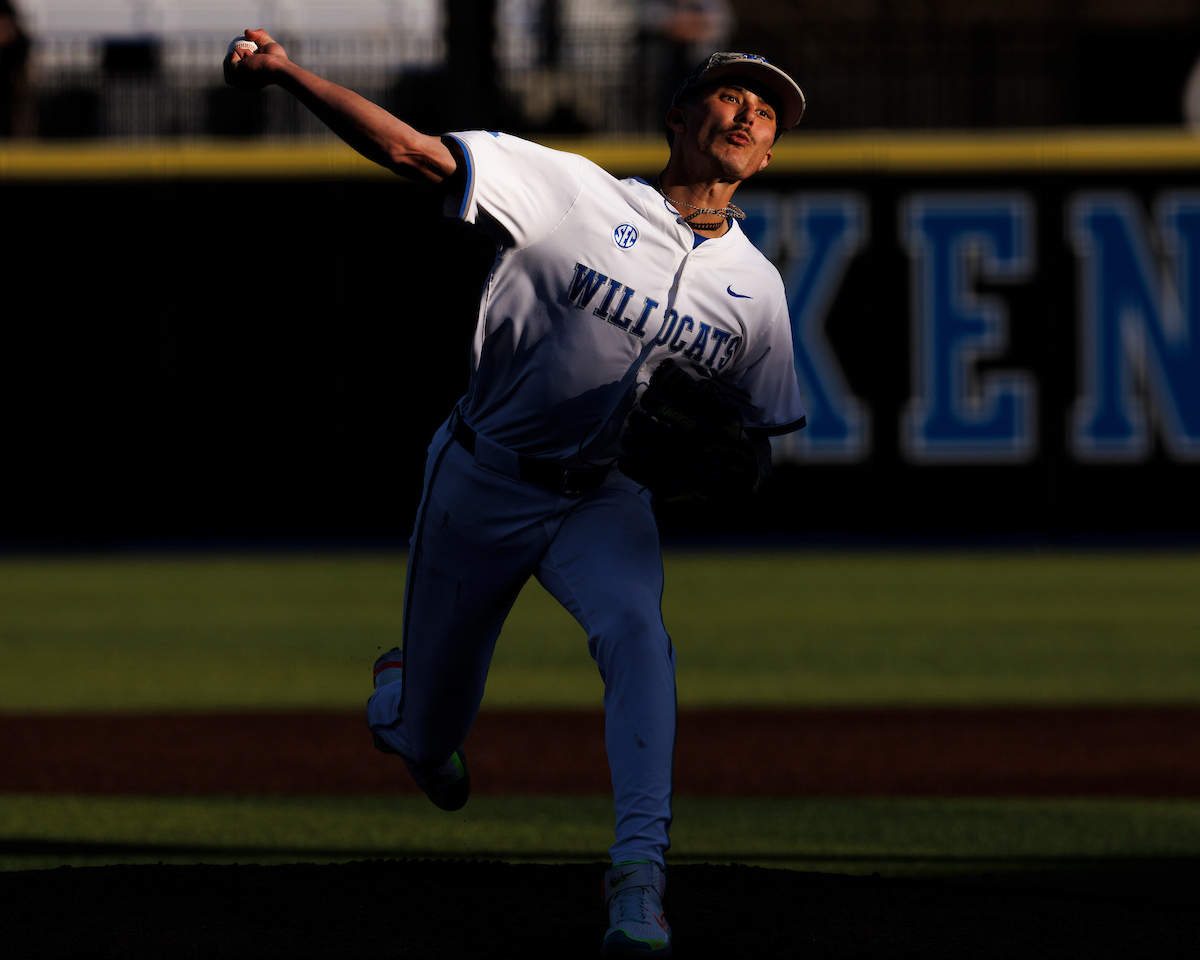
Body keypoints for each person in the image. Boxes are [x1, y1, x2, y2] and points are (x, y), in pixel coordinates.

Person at [225, 35, 806, 956]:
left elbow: (761, 442)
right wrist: (288, 75)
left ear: (767, 157)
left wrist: (732, 470)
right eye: (732, 96)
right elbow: (412, 152)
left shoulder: (758, 292)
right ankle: (402, 704)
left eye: (766, 113)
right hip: (483, 480)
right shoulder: (574, 193)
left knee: (639, 638)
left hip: (603, 498)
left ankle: (639, 881)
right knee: (430, 743)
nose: (748, 115)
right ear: (677, 117)